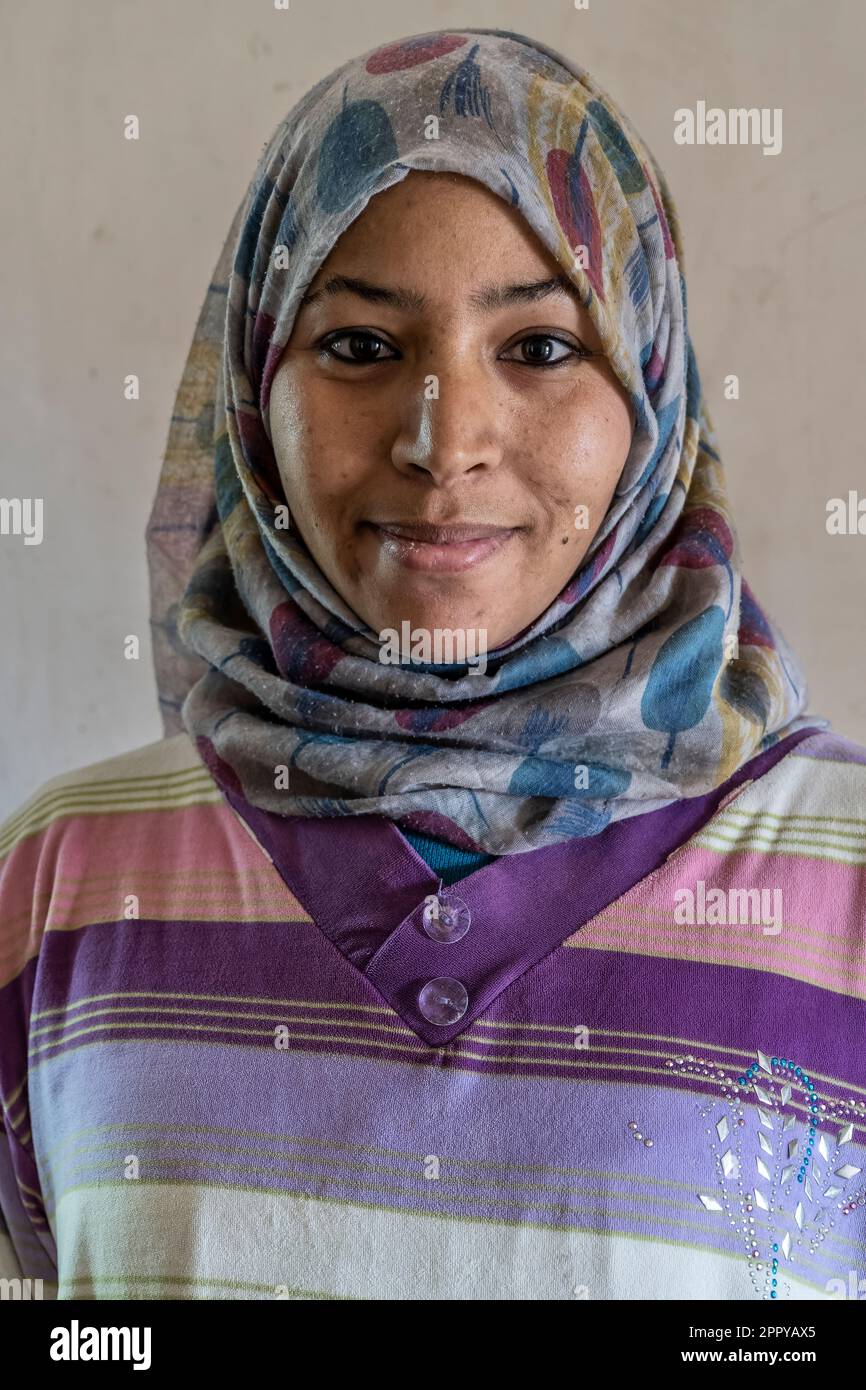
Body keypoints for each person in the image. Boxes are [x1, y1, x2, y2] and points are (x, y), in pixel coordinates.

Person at [1, 27, 864, 1303]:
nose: (442, 438)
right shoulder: (58, 886)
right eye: (360, 346)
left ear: (650, 389)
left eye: (539, 347)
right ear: (252, 394)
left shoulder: (844, 886)